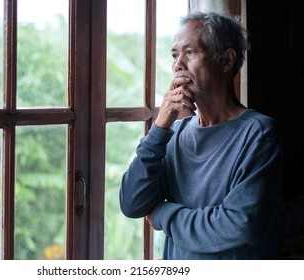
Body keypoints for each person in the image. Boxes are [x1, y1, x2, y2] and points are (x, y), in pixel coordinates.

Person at [119, 11, 283, 260]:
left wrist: (164, 214)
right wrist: (159, 129)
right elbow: (132, 204)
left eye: (190, 52)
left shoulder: (259, 133)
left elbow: (239, 224)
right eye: (175, 54)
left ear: (227, 61)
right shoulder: (175, 133)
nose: (177, 65)